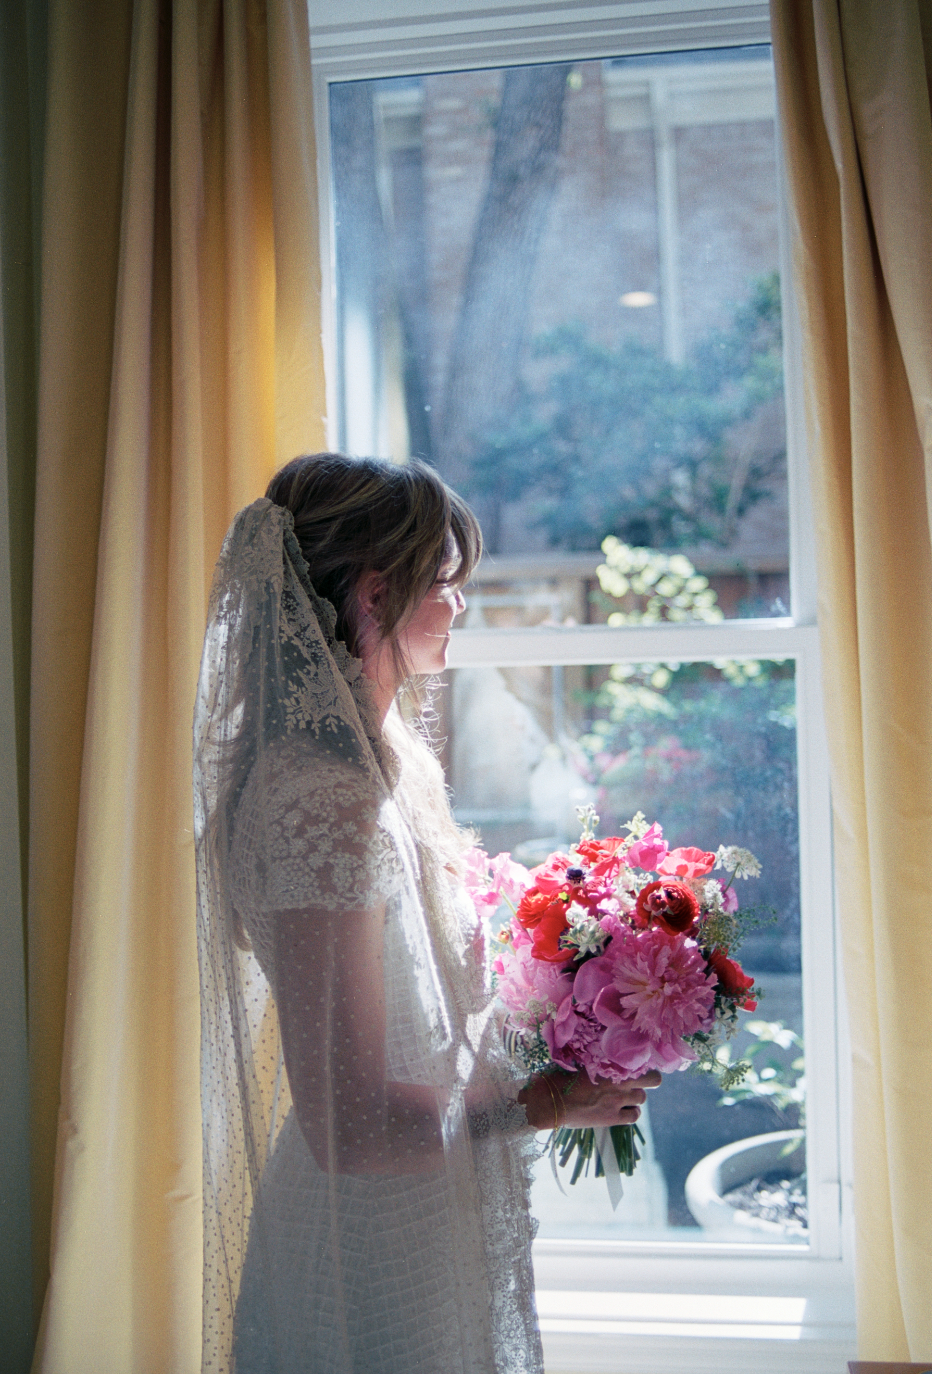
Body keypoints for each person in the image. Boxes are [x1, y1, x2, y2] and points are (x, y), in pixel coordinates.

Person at [193, 453, 659, 1374]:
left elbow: (425, 985)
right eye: (446, 585)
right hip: (367, 1244)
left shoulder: (384, 759)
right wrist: (542, 1102)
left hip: (427, 1203)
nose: (460, 608)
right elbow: (347, 1121)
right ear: (375, 598)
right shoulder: (320, 801)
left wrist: (574, 958)